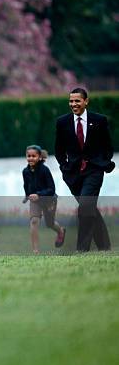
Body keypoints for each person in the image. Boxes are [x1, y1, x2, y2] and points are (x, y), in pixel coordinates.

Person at [54, 88, 115, 251]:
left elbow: (108, 147)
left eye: (77, 101)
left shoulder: (99, 120)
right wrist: (64, 167)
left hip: (94, 171)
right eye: (71, 101)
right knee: (89, 207)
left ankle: (82, 248)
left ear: (86, 101)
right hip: (73, 174)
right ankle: (104, 246)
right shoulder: (62, 122)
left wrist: (102, 162)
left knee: (86, 206)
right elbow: (59, 150)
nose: (73, 104)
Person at [22, 145, 65, 254]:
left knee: (49, 223)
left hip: (49, 200)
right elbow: (26, 185)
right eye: (29, 156)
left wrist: (39, 194)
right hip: (35, 201)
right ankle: (35, 250)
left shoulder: (45, 170)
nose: (31, 158)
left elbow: (51, 189)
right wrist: (27, 195)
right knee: (34, 221)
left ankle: (60, 231)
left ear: (40, 157)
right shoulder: (25, 171)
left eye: (34, 156)